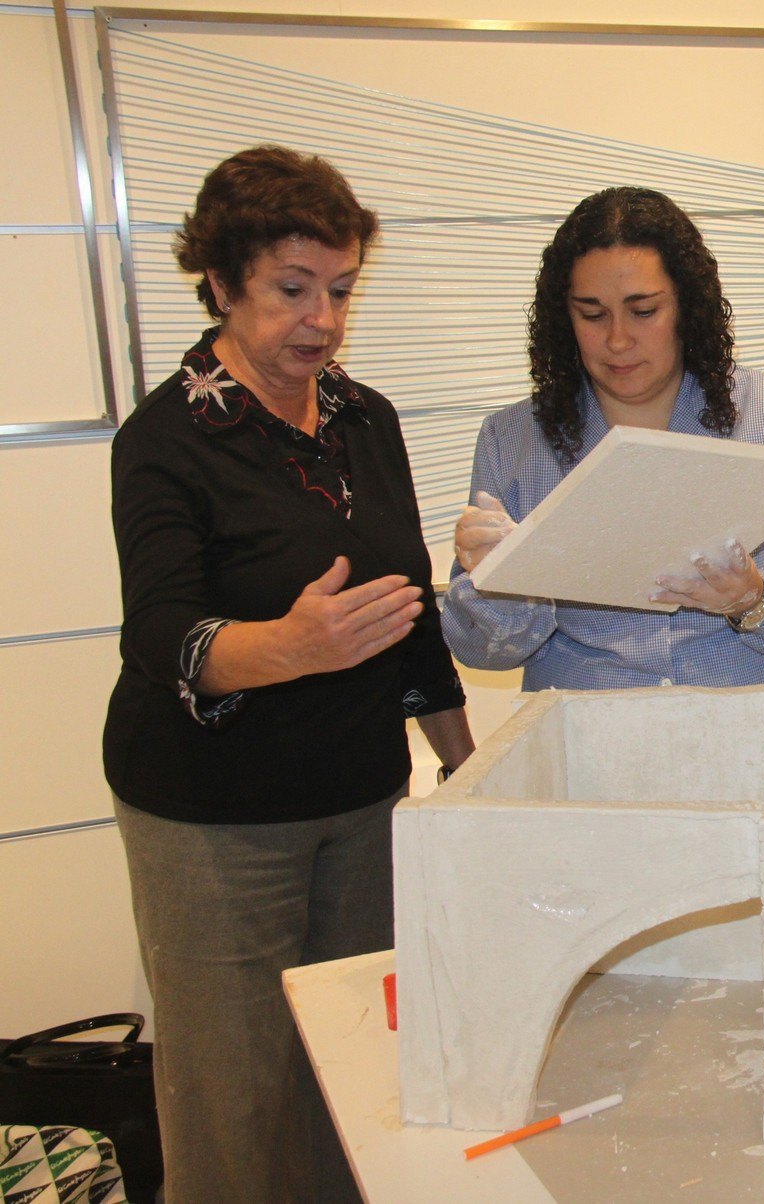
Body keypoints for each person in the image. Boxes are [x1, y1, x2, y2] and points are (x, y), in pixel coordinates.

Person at [104, 145, 474, 1203]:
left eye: (341, 290)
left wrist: (466, 770)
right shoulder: (166, 438)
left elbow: (407, 611)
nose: (323, 320)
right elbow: (160, 632)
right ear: (222, 282)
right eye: (293, 289)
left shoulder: (366, 418)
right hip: (211, 817)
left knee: (357, 1084)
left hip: (361, 800)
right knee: (234, 1102)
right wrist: (291, 646)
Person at [443, 187, 764, 688]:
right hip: (591, 725)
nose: (618, 340)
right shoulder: (512, 439)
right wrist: (498, 584)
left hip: (759, 717)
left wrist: (755, 598)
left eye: (644, 311)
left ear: (687, 307)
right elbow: (480, 651)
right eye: (592, 314)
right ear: (564, 318)